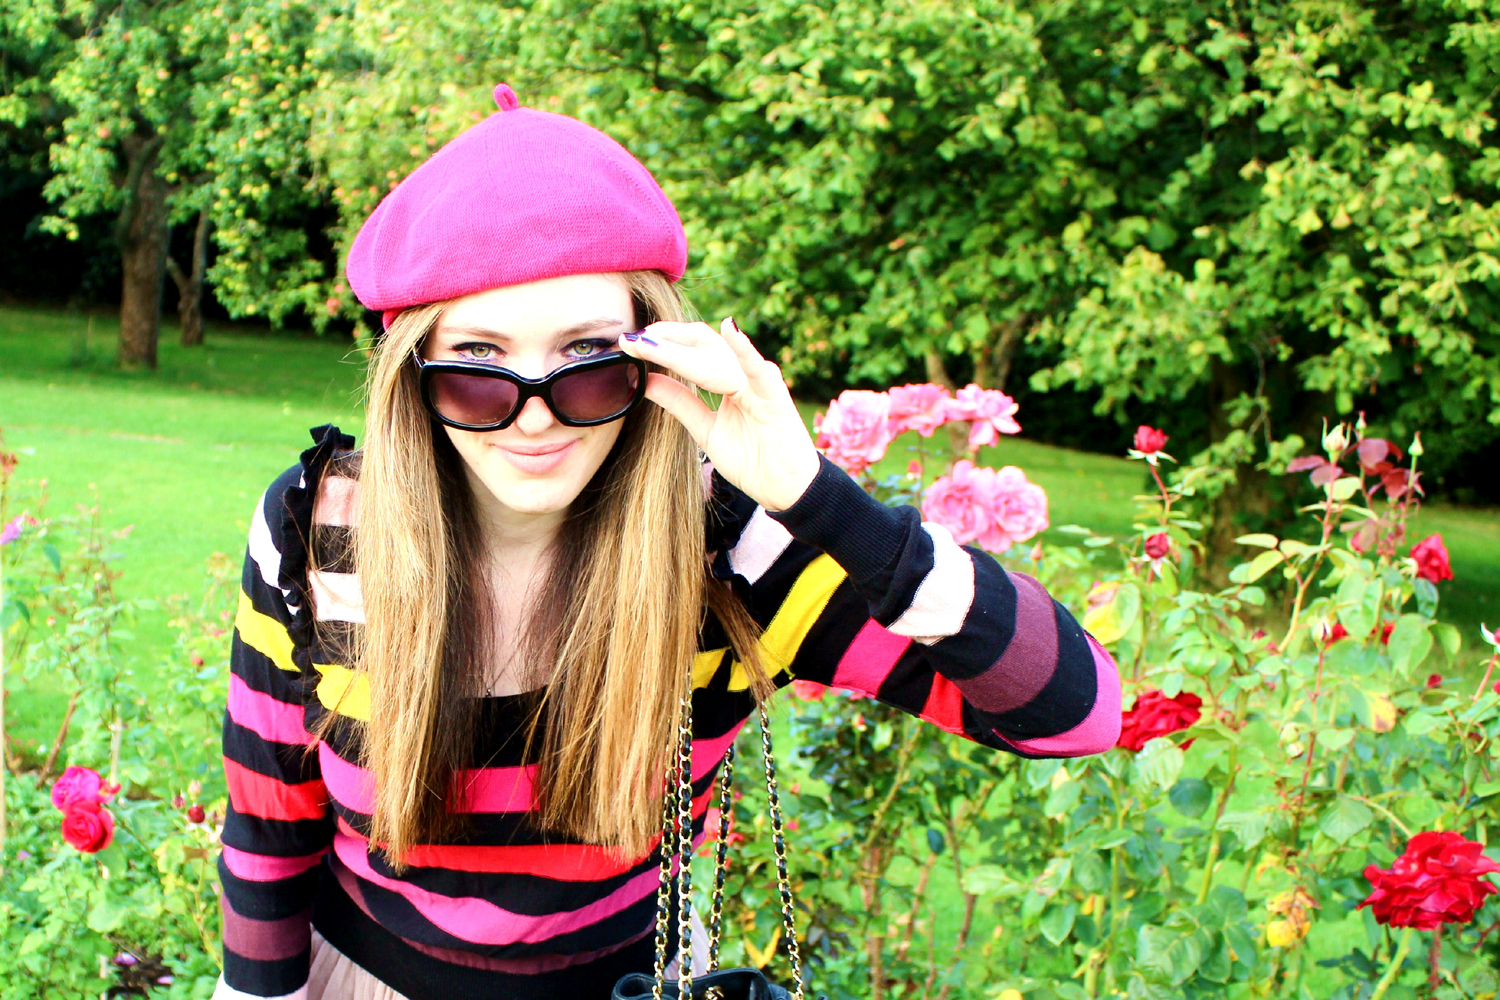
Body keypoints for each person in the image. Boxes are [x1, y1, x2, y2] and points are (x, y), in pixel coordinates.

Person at [213, 83, 1122, 1000]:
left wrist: (815, 498)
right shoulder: (318, 531)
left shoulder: (734, 550)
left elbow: (1075, 714)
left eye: (589, 359)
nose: (535, 416)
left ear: (653, 357)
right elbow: (265, 824)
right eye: (478, 365)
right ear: (412, 374)